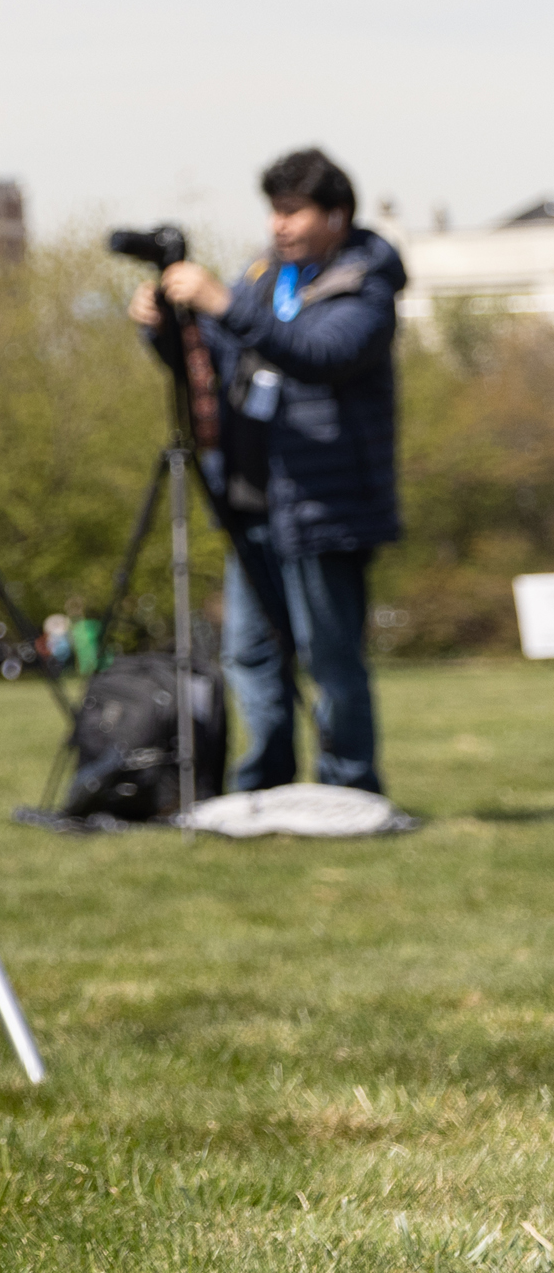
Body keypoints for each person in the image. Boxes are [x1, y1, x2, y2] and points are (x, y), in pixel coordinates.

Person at [132, 146, 402, 793]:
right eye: (273, 211)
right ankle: (267, 780)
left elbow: (320, 351)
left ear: (336, 215)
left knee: (329, 656)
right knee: (250, 654)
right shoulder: (263, 276)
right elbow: (220, 360)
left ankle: (348, 784)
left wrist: (223, 303)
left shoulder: (364, 282)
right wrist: (165, 329)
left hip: (325, 505)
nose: (278, 225)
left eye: (292, 211)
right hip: (252, 497)